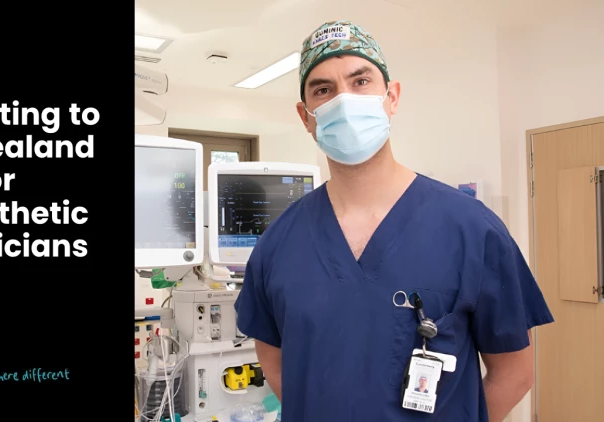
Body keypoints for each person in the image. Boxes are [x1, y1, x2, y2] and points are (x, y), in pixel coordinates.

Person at [234, 20, 554, 422]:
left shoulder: (472, 230)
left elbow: (514, 374)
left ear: (392, 97)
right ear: (306, 116)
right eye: (323, 90)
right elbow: (278, 367)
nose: (343, 100)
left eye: (361, 81)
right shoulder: (278, 243)